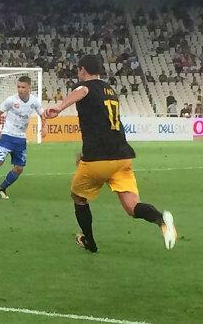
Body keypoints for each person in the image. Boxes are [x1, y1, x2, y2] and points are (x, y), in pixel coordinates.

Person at [45, 54, 177, 252]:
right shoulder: (110, 90)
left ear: (82, 70)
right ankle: (161, 219)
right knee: (133, 207)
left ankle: (89, 241)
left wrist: (59, 107)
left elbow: (81, 91)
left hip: (99, 159)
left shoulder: (85, 87)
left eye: (78, 70)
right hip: (122, 157)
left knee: (78, 197)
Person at [0, 76, 46, 200]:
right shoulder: (11, 100)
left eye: (23, 87)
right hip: (7, 137)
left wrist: (45, 127)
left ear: (29, 87)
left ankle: (1, 189)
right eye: (18, 87)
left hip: (20, 139)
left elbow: (42, 114)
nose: (20, 89)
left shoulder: (34, 101)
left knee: (19, 169)